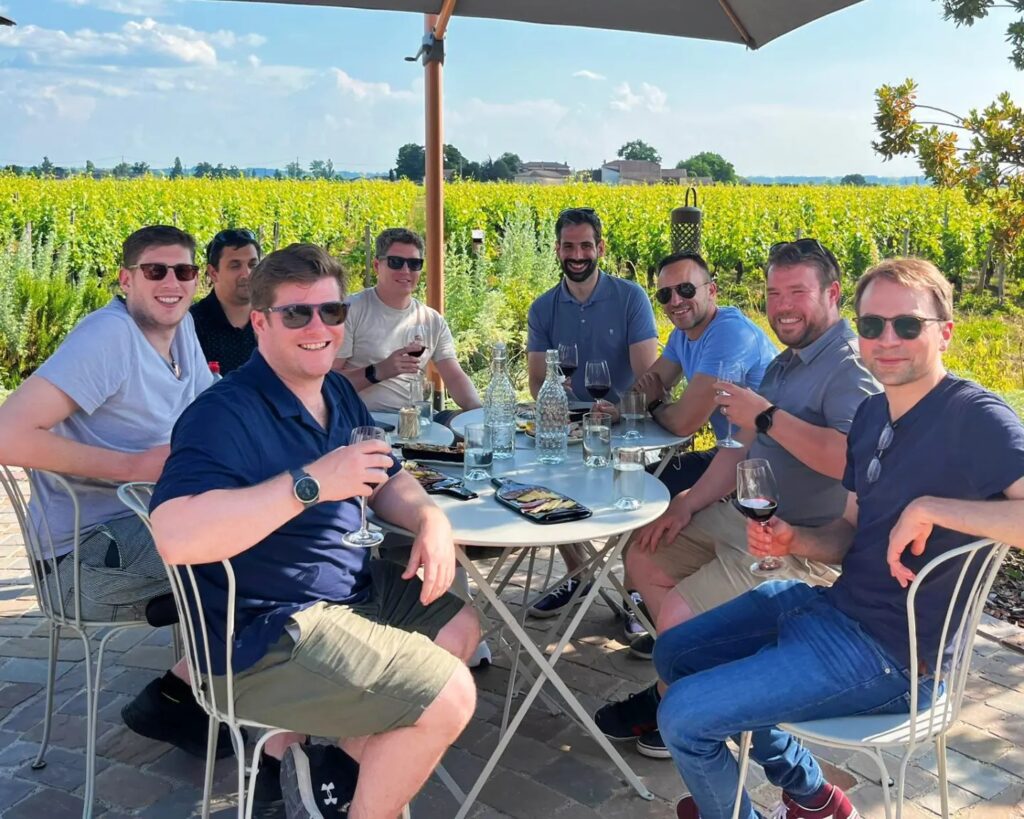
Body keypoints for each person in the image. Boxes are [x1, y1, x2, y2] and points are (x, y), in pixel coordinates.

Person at [659, 257, 1024, 819]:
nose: (887, 339)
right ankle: (812, 796)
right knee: (674, 654)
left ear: (945, 332)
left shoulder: (973, 417)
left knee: (684, 716)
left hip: (899, 659)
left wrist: (930, 508)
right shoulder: (875, 414)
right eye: (872, 325)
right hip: (834, 610)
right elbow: (849, 534)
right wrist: (794, 542)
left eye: (908, 325)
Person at [150, 243, 480, 817]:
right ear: (260, 321)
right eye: (296, 313)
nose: (318, 327)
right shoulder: (223, 412)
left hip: (345, 595)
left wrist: (428, 516)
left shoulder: (336, 392)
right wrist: (309, 484)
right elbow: (174, 534)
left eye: (331, 312)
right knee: (448, 695)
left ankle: (326, 770)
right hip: (262, 631)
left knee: (461, 628)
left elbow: (385, 476)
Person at [595, 239, 878, 759]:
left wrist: (767, 415)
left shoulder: (847, 367)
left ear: (833, 294)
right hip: (747, 515)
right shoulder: (787, 362)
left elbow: (847, 459)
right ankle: (695, 680)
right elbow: (740, 444)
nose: (782, 305)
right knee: (644, 552)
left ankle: (674, 708)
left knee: (681, 612)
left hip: (798, 543)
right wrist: (688, 502)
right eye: (774, 292)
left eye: (797, 292)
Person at [0, 225, 233, 758]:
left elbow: (209, 411)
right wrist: (133, 465)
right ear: (127, 279)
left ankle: (216, 690)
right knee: (253, 551)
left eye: (184, 271)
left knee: (268, 527)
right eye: (155, 270)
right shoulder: (109, 338)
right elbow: (6, 433)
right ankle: (180, 698)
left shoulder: (182, 332)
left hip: (143, 528)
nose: (171, 282)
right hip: (80, 561)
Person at [604, 251, 777, 643]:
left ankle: (652, 611)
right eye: (665, 295)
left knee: (647, 494)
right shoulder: (685, 334)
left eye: (685, 289)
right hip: (731, 454)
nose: (675, 302)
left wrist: (656, 405)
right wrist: (615, 410)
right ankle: (645, 607)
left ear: (711, 291)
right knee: (638, 482)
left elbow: (683, 420)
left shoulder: (730, 334)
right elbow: (650, 383)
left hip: (758, 469)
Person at [525, 207, 659, 617]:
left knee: (640, 496)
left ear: (600, 248)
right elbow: (535, 382)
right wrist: (553, 392)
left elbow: (649, 374)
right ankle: (582, 572)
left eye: (586, 245)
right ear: (557, 251)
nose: (577, 254)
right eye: (569, 246)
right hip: (569, 425)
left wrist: (618, 410)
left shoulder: (630, 297)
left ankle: (634, 592)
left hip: (627, 422)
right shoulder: (543, 308)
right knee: (543, 478)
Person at [333, 227, 480, 420]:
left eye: (414, 263)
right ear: (377, 266)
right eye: (395, 262)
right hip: (362, 419)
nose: (405, 270)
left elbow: (454, 377)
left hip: (415, 419)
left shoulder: (431, 320)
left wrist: (479, 413)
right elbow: (328, 383)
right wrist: (379, 370)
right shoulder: (351, 310)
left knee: (468, 426)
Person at [190, 228, 261, 375]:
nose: (246, 274)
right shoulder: (191, 325)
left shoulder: (274, 318)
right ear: (213, 273)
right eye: (235, 266)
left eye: (252, 265)